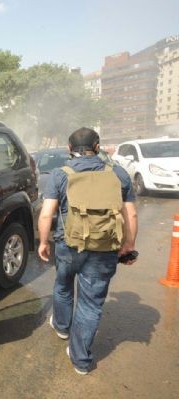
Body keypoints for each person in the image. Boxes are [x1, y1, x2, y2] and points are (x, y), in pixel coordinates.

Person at [37, 127, 138, 375]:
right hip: (104, 249)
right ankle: (81, 360)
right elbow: (131, 213)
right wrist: (128, 245)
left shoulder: (60, 174)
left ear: (69, 149)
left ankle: (62, 327)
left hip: (68, 246)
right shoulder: (118, 174)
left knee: (62, 286)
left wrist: (43, 242)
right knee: (90, 305)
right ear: (97, 147)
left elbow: (46, 213)